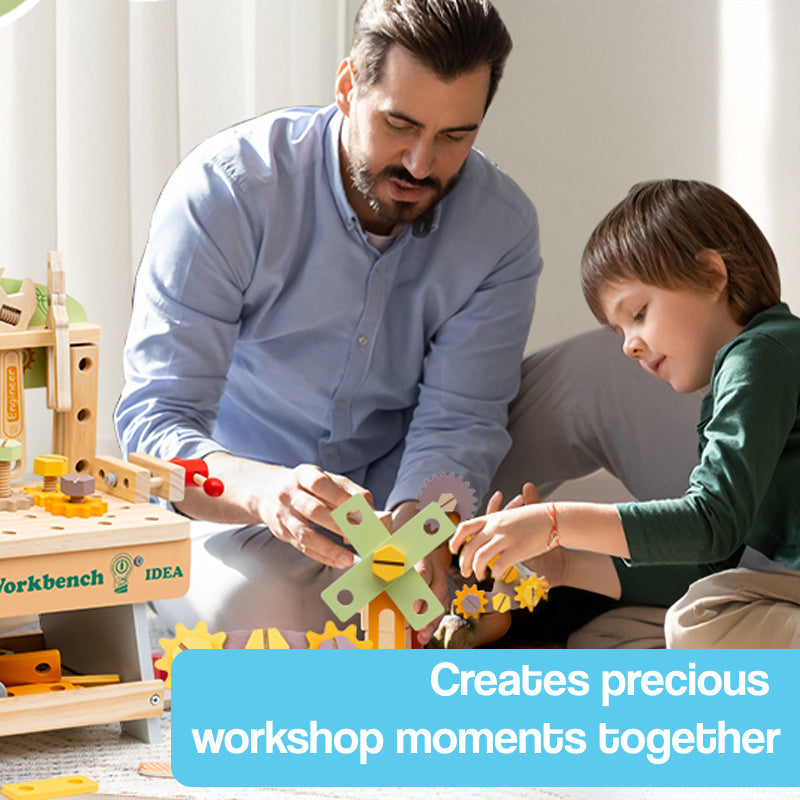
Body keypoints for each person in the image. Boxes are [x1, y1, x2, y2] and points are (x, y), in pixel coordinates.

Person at [114, 0, 541, 642]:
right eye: (399, 124)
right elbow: (155, 426)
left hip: (395, 498)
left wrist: (421, 529)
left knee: (586, 396)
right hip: (237, 511)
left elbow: (462, 418)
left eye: (455, 136)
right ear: (347, 87)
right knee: (263, 617)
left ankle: (443, 606)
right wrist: (265, 492)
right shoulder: (227, 192)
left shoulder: (501, 226)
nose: (420, 164)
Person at [452, 179, 800, 648]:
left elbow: (709, 524)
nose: (628, 346)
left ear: (712, 275)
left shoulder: (760, 355)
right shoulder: (734, 381)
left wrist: (553, 521)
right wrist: (563, 565)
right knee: (606, 636)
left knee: (698, 619)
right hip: (777, 586)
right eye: (618, 331)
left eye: (637, 314)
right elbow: (716, 563)